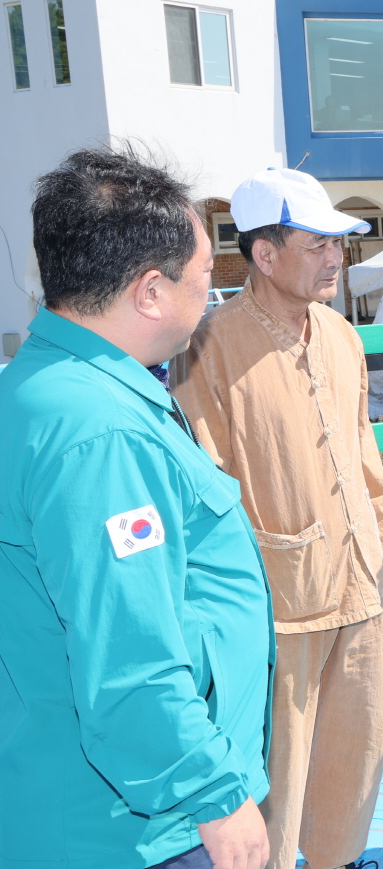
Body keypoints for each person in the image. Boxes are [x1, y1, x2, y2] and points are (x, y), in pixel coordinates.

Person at [0, 147, 274, 869]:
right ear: (151, 291)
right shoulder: (101, 432)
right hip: (140, 825)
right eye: (205, 277)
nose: (208, 295)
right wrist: (215, 794)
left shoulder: (41, 390)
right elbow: (130, 657)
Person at [171, 168, 383, 869]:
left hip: (359, 584)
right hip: (276, 604)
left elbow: (365, 457)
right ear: (263, 256)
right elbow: (206, 489)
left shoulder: (342, 336)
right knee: (280, 772)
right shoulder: (209, 348)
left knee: (356, 758)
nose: (335, 258)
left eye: (339, 245)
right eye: (316, 244)